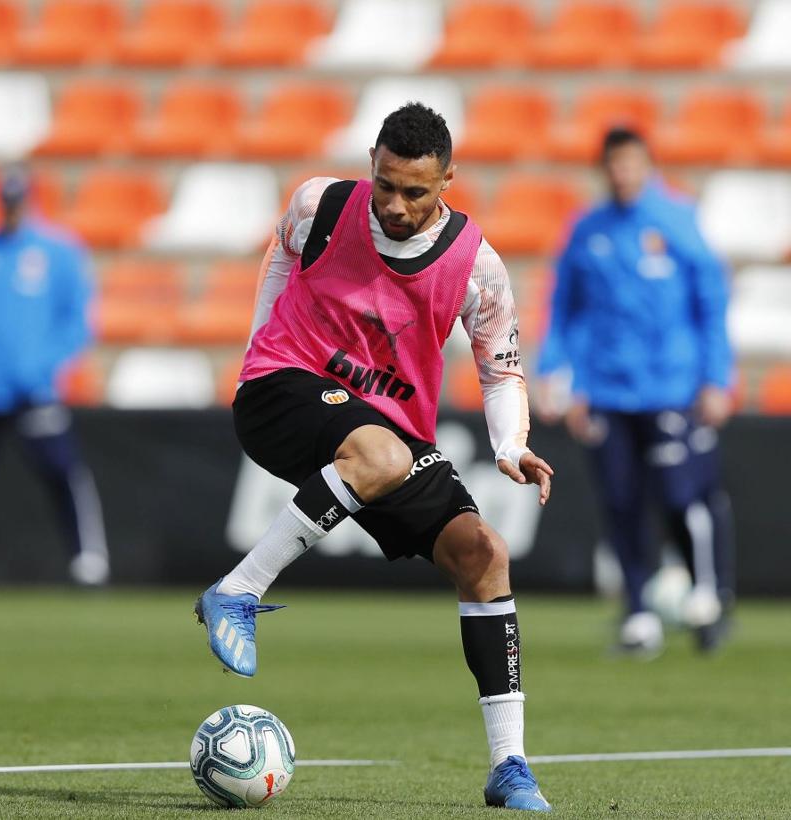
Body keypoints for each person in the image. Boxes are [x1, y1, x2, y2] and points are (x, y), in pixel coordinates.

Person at [193, 103, 554, 812]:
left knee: (482, 552)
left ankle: (509, 766)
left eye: (414, 191)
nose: (394, 204)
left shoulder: (476, 267)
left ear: (448, 179)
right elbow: (284, 250)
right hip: (283, 390)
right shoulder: (321, 204)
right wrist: (259, 347)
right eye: (384, 183)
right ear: (372, 163)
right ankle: (237, 591)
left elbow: (500, 366)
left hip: (385, 431)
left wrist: (510, 445)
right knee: (382, 454)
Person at [535, 126, 735, 656]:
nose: (623, 173)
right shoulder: (588, 230)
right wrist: (558, 373)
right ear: (605, 169)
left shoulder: (677, 221)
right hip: (607, 390)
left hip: (672, 386)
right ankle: (639, 611)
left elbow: (710, 304)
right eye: (615, 164)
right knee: (621, 501)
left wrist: (718, 378)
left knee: (680, 495)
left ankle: (709, 595)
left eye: (631, 163)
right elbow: (565, 310)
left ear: (646, 166)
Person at [0, 164, 109, 589]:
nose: (12, 209)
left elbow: (76, 323)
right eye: (7, 201)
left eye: (19, 200)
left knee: (62, 472)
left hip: (36, 389)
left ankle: (88, 557)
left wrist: (41, 370)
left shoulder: (59, 252)